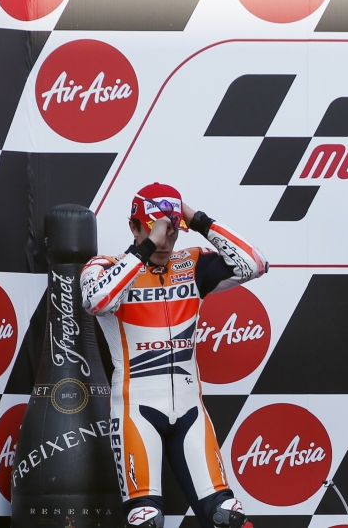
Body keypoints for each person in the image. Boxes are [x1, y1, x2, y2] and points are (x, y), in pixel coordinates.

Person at [81, 183, 268, 528]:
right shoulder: (104, 267)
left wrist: (196, 219)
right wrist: (146, 245)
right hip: (137, 411)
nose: (166, 243)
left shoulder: (191, 264)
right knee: (146, 521)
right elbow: (97, 302)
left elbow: (255, 264)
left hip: (189, 410)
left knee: (227, 517)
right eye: (156, 233)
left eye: (172, 232)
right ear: (133, 227)